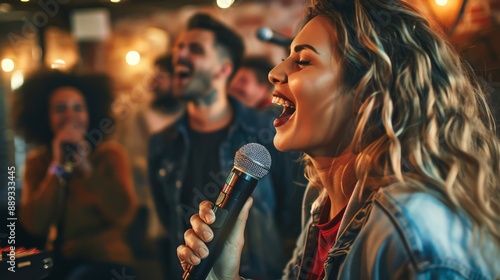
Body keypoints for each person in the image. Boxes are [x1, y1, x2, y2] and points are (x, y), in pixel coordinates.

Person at [177, 0, 500, 279]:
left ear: (367, 91)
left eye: (302, 61)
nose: (275, 73)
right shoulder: (322, 202)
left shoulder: (415, 229)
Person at [148, 13, 303, 280]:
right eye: (178, 48)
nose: (179, 56)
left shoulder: (269, 133)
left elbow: (292, 219)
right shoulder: (162, 143)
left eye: (194, 49)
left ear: (223, 69)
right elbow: (168, 220)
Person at [12, 70, 138, 280]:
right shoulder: (38, 162)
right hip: (57, 261)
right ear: (47, 116)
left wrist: (86, 167)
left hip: (107, 262)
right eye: (61, 109)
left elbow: (123, 214)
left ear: (90, 113)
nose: (70, 116)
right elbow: (34, 225)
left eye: (78, 108)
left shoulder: (110, 155)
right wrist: (56, 167)